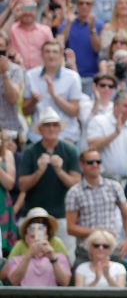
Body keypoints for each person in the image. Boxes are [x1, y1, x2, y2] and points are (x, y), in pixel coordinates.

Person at [18, 107, 81, 251]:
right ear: (40, 129)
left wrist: (59, 171)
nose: (51, 128)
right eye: (47, 125)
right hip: (35, 215)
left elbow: (76, 183)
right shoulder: (30, 152)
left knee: (65, 257)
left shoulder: (70, 150)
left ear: (59, 128)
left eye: (54, 125)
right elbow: (22, 185)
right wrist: (39, 171)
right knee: (33, 254)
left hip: (62, 214)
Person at [64, 148, 127, 262]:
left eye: (98, 162)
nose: (95, 165)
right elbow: (70, 228)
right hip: (86, 252)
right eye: (90, 162)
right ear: (81, 165)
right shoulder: (74, 192)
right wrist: (98, 231)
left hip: (112, 249)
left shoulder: (114, 186)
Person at [86, 90, 127, 183]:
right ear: (115, 105)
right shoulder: (99, 121)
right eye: (126, 106)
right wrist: (115, 134)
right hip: (105, 179)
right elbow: (92, 147)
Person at [2, 209, 72, 287]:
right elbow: (12, 279)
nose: (36, 240)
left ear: (46, 236)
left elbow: (65, 282)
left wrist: (52, 258)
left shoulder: (58, 250)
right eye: (32, 237)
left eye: (42, 223)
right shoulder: (18, 253)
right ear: (26, 238)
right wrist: (29, 255)